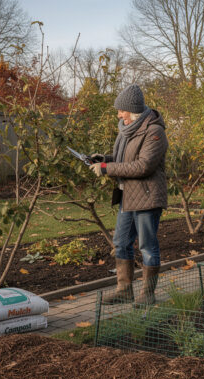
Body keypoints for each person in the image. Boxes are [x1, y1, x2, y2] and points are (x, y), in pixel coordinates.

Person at [89, 84, 168, 305]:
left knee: (147, 246)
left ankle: (148, 294)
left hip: (147, 197)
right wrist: (104, 159)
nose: (119, 115)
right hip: (128, 196)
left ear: (133, 111)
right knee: (121, 242)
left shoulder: (154, 132)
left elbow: (143, 166)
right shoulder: (127, 130)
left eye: (121, 110)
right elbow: (123, 159)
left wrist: (107, 169)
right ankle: (124, 291)